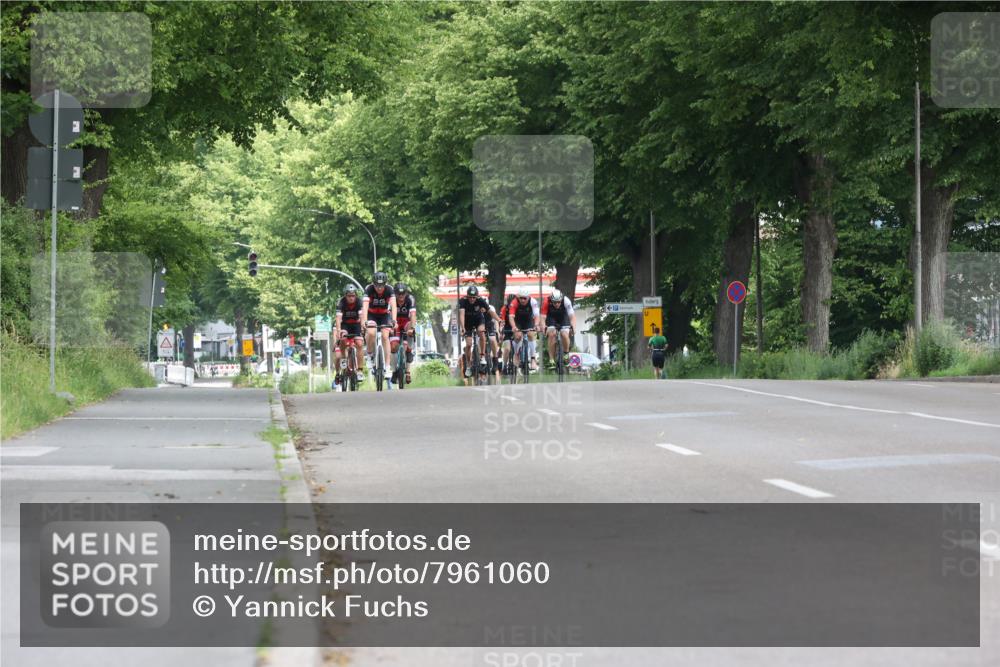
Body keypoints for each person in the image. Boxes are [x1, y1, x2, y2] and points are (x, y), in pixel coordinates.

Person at [361, 271, 396, 379]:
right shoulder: (369, 289)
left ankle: (387, 365)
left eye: (381, 285)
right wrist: (364, 321)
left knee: (385, 336)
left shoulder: (390, 289)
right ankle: (370, 355)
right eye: (377, 285)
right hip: (372, 315)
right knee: (371, 333)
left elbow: (394, 306)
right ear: (373, 284)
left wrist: (394, 320)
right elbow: (365, 307)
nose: (379, 288)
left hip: (384, 315)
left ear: (385, 284)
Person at [334, 284, 366, 384]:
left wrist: (362, 328)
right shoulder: (341, 302)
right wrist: (339, 331)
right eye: (349, 296)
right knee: (343, 339)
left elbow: (362, 317)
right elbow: (338, 319)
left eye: (353, 296)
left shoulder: (359, 302)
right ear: (345, 296)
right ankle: (344, 358)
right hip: (345, 325)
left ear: (355, 295)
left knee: (360, 344)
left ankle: (360, 370)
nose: (351, 298)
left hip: (356, 325)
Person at [458, 285, 489, 379]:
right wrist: (462, 327)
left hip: (478, 320)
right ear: (467, 296)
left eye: (473, 297)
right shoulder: (462, 301)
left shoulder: (481, 300)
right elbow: (462, 315)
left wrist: (498, 320)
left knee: (481, 332)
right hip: (467, 323)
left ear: (477, 297)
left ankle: (482, 356)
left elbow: (489, 311)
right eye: (470, 297)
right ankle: (468, 365)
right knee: (468, 344)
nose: (472, 299)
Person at [541, 289, 577, 370]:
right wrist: (543, 327)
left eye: (559, 302)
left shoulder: (566, 300)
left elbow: (572, 316)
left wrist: (573, 327)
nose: (557, 304)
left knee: (564, 334)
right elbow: (543, 317)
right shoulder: (546, 301)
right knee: (551, 334)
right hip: (551, 317)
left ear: (561, 300)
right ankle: (551, 359)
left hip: (563, 317)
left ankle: (566, 354)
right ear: (551, 300)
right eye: (554, 302)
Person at [507, 287, 539, 371]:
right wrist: (514, 327)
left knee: (531, 334)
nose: (523, 300)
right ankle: (516, 354)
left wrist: (536, 325)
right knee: (517, 336)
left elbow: (536, 315)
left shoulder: (533, 301)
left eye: (525, 298)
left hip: (528, 320)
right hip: (518, 321)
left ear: (528, 297)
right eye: (521, 298)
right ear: (518, 297)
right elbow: (511, 317)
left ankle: (532, 358)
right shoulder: (514, 302)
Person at [390, 282, 416, 385]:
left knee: (410, 326)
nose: (401, 296)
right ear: (395, 293)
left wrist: (413, 328)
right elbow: (387, 315)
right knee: (393, 347)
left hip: (406, 323)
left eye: (403, 293)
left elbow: (413, 315)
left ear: (406, 293)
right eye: (398, 294)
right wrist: (390, 327)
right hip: (395, 324)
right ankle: (393, 371)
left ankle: (408, 371)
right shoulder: (391, 300)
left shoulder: (410, 299)